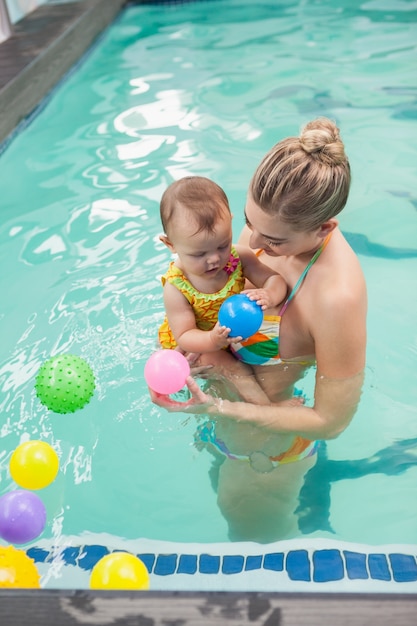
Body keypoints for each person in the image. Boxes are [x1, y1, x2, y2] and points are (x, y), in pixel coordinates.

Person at [150, 118, 367, 543]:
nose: (254, 247)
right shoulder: (270, 220)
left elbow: (331, 421)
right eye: (249, 223)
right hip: (219, 411)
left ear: (325, 228)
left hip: (268, 449)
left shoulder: (335, 297)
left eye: (275, 241)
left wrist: (219, 409)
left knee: (252, 536)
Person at [157, 175, 288, 404]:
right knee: (233, 368)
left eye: (222, 245)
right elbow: (186, 335)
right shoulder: (176, 287)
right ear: (171, 245)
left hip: (225, 334)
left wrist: (269, 293)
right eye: (199, 254)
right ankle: (267, 408)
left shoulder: (239, 257)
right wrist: (212, 340)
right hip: (196, 344)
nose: (214, 259)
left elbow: (275, 279)